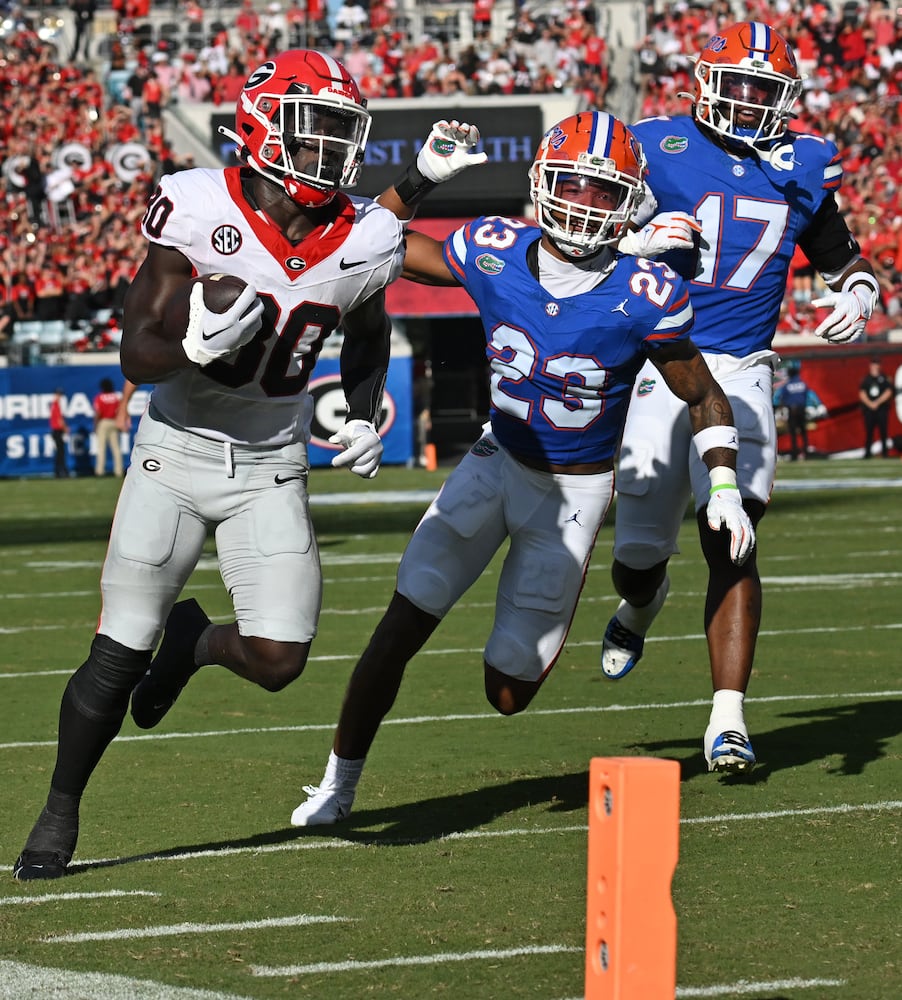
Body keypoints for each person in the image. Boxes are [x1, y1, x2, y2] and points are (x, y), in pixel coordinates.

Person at [12, 49, 484, 882]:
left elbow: (367, 326)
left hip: (271, 461)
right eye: (316, 134)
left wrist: (370, 408)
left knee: (280, 660)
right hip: (175, 451)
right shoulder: (196, 207)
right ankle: (58, 812)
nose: (331, 152)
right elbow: (135, 350)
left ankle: (193, 644)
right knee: (118, 652)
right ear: (266, 127)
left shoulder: (367, 235)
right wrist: (189, 347)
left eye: (343, 134)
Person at [291, 110, 757, 827]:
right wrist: (417, 181)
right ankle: (336, 783)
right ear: (542, 181)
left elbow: (704, 392)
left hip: (573, 493)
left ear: (630, 201)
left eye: (604, 191)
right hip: (494, 462)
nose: (584, 201)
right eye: (572, 183)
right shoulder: (492, 249)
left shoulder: (645, 292)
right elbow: (375, 249)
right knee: (400, 624)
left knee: (507, 694)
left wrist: (722, 478)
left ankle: (627, 602)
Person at [596, 21, 882, 773]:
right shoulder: (655, 145)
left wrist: (858, 288)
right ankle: (639, 603)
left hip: (746, 366)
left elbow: (840, 254)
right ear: (706, 80)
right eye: (741, 85)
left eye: (766, 90)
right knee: (636, 555)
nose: (752, 101)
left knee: (733, 533)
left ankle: (728, 718)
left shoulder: (804, 163)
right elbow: (577, 240)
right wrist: (631, 244)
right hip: (663, 360)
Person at [773, 360, 819, 461]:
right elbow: (811, 395)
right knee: (803, 433)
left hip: (791, 410)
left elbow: (778, 398)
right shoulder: (802, 384)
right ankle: (805, 453)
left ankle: (794, 454)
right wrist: (817, 405)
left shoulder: (786, 386)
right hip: (801, 410)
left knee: (793, 433)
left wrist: (777, 406)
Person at [858, 357, 893, 458]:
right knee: (869, 432)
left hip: (881, 409)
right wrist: (870, 404)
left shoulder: (884, 378)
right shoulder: (866, 379)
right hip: (869, 410)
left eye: (877, 364)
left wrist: (877, 402)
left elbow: (888, 392)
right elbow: (862, 393)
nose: (875, 367)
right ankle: (867, 453)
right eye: (873, 364)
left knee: (883, 432)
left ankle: (885, 453)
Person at [93, 377, 124, 478]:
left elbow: (98, 413)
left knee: (101, 448)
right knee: (116, 448)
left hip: (103, 422)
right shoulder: (115, 397)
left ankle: (100, 471)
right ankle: (119, 471)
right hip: (113, 421)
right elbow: (119, 411)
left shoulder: (100, 397)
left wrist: (95, 425)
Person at [49, 387, 70, 479]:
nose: (60, 396)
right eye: (59, 394)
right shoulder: (56, 405)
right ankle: (61, 471)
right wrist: (65, 428)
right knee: (61, 452)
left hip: (56, 430)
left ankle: (58, 471)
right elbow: (59, 419)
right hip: (57, 430)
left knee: (59, 452)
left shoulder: (54, 404)